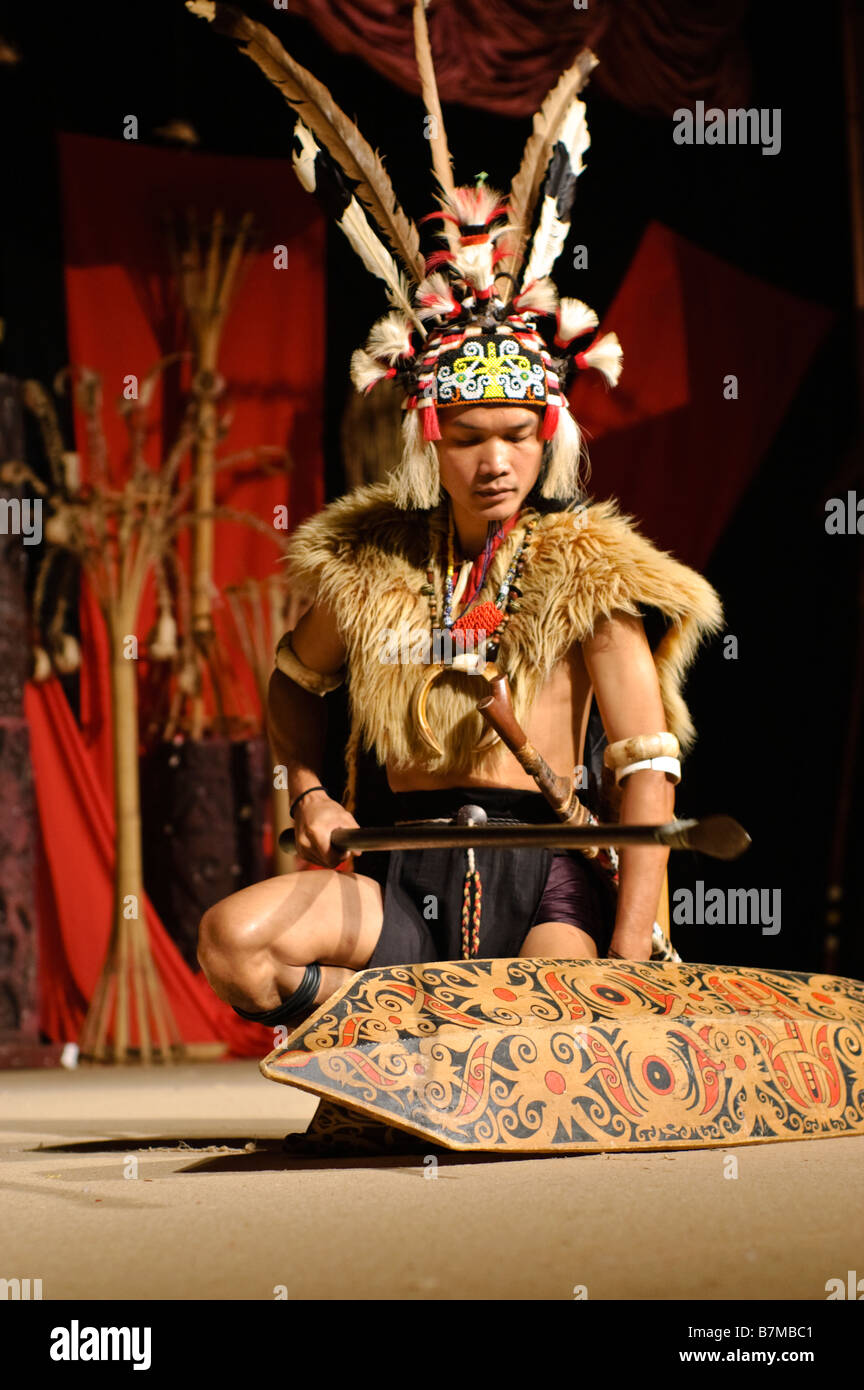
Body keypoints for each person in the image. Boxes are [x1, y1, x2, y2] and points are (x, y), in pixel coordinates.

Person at [193, 3, 723, 1030]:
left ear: (549, 434)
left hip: (548, 885)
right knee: (236, 943)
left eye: (518, 433)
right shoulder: (371, 565)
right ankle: (419, 1026)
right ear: (430, 435)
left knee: (553, 1015)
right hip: (402, 876)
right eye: (472, 434)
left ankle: (439, 1027)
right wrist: (310, 796)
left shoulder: (589, 574)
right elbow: (296, 685)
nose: (496, 460)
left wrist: (628, 958)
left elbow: (645, 767)